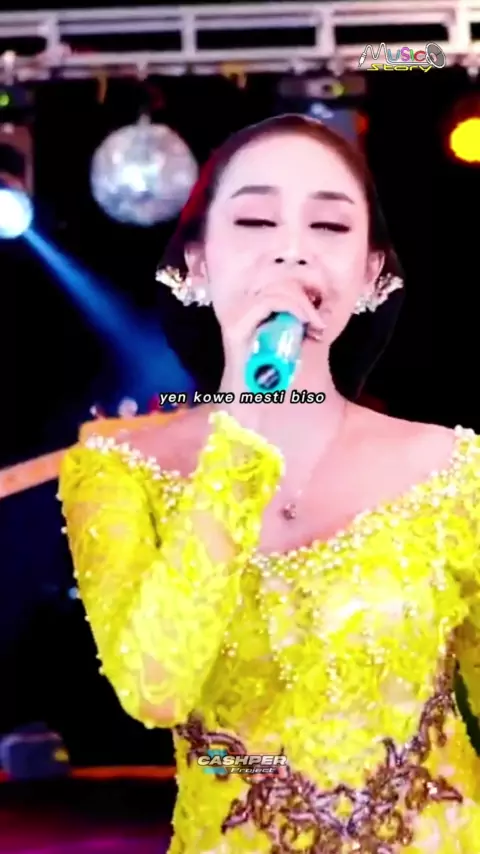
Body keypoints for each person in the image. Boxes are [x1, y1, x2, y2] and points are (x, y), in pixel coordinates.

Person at [59, 114, 480, 853]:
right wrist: (243, 424)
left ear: (372, 274)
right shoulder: (119, 470)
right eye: (255, 221)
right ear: (195, 263)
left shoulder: (455, 471)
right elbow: (158, 688)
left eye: (329, 225)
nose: (291, 250)